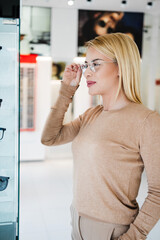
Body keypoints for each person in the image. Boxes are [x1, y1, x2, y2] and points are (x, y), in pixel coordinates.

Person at [41, 33, 160, 240]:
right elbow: (50, 138)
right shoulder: (91, 115)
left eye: (96, 64)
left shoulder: (147, 121)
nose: (87, 73)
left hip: (112, 231)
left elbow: (158, 192)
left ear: (120, 67)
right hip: (76, 223)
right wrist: (66, 91)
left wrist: (133, 236)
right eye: (86, 65)